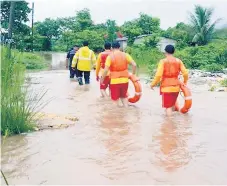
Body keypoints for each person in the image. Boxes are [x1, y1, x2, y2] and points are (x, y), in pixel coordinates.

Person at [150, 45, 189, 117]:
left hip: (166, 88)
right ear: (174, 52)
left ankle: (169, 124)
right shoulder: (178, 61)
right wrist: (185, 82)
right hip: (176, 87)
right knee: (172, 105)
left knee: (168, 107)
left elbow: (158, 75)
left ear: (165, 52)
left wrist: (153, 84)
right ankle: (174, 124)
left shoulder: (163, 61)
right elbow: (185, 73)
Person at [101, 41, 137, 108]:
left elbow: (106, 70)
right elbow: (134, 65)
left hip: (115, 81)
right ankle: (126, 111)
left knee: (115, 100)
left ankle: (116, 116)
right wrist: (133, 74)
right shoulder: (126, 55)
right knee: (124, 97)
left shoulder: (110, 57)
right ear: (119, 47)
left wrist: (102, 80)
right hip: (125, 80)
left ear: (111, 48)